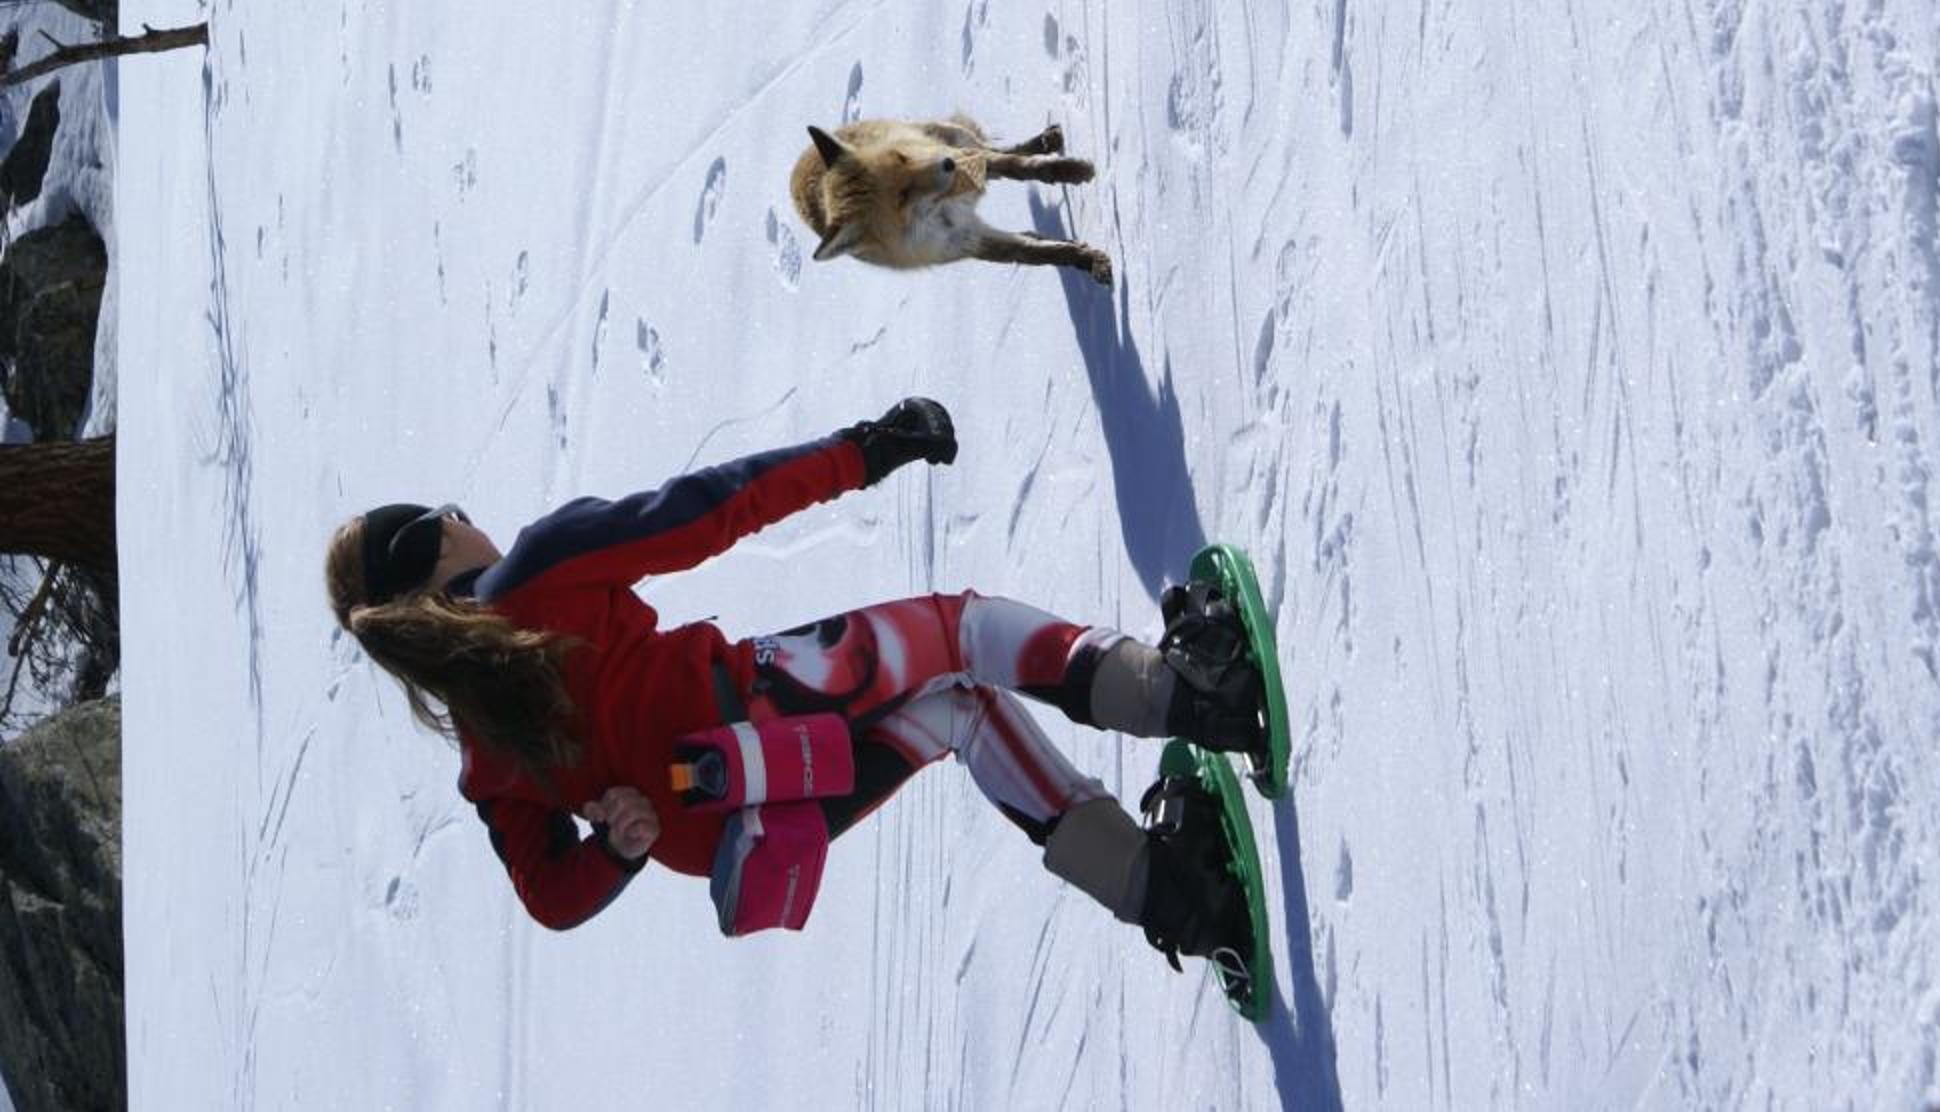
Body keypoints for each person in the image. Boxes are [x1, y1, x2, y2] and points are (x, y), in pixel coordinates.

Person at [325, 399, 1264, 975]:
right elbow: (708, 510)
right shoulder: (534, 571)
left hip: (741, 834)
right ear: (434, 547)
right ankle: (1191, 692)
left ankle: (1172, 895)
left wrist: (615, 849)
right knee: (963, 632)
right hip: (764, 713)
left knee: (956, 712)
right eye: (451, 513)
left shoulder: (485, 762)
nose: (470, 519)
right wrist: (863, 451)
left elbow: (550, 897)